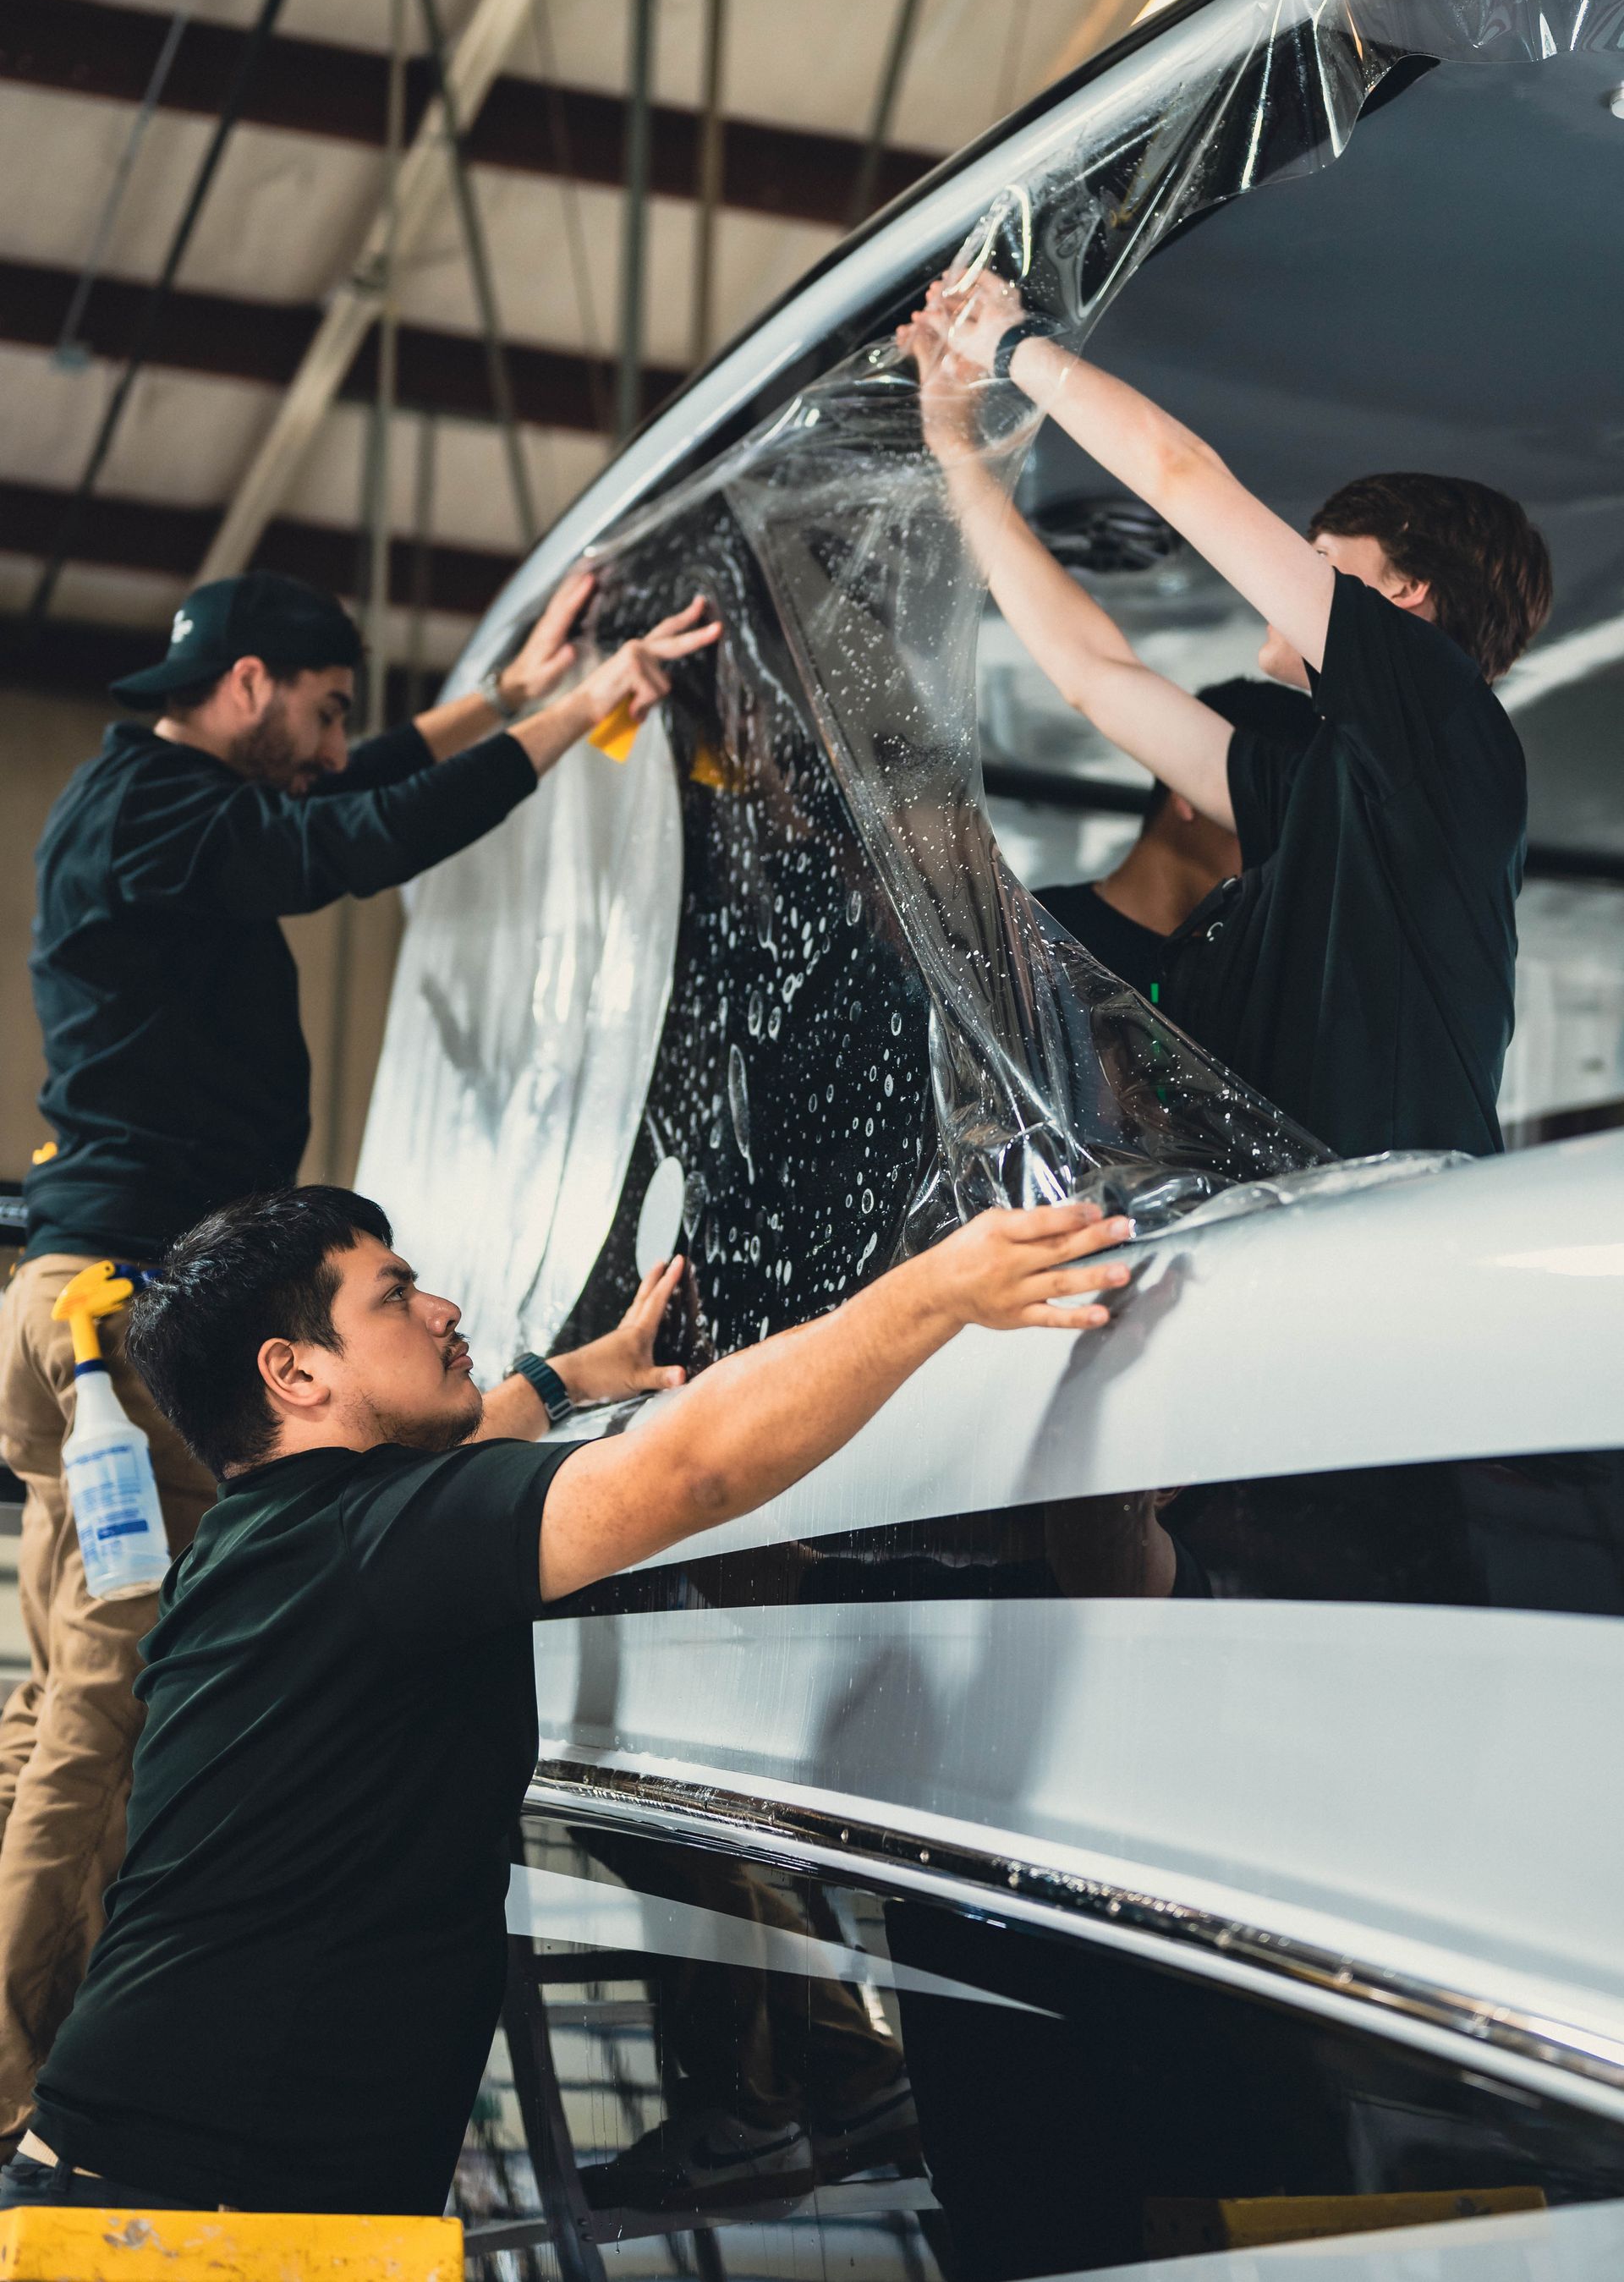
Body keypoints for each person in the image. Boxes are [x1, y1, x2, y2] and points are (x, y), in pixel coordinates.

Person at [0, 1180, 1133, 2214]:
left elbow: (457, 1463)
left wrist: (572, 1378)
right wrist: (938, 1291)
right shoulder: (371, 1536)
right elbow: (691, 1469)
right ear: (294, 1373)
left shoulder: (259, 1539)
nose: (442, 1307)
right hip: (192, 2213)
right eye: (394, 1295)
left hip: (155, 2170)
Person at [0, 566, 719, 2153]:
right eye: (325, 710)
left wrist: (503, 697)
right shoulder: (160, 812)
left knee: (74, 1696)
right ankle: (20, 2092)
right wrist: (582, 711)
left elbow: (347, 790)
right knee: (106, 1706)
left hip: (87, 1306)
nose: (338, 744)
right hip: (110, 1310)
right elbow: (355, 837)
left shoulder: (155, 802)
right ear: (249, 683)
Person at [903, 277, 1553, 1157]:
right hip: (1314, 1216)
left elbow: (1180, 472)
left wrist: (1012, 343)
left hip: (1389, 1216)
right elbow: (1096, 676)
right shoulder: (1329, 796)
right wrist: (953, 449)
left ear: (1402, 591)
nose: (1287, 579)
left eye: (1319, 558)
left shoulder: (1442, 724)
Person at [1034, 678, 1319, 1007]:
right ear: (1188, 790)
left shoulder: (1276, 981)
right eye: (1274, 814)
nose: (1289, 853)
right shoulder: (1033, 936)